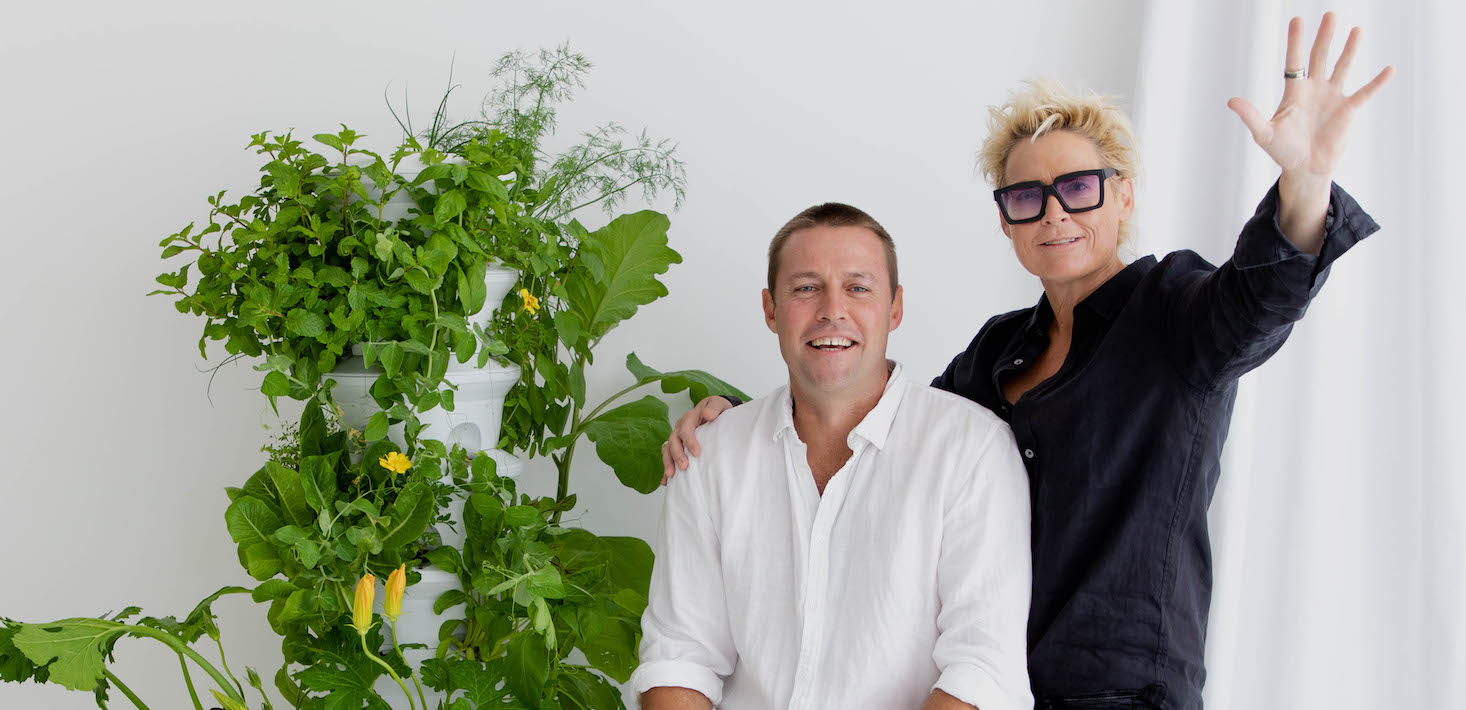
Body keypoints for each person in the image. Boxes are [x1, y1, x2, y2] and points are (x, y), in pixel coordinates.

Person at [659, 14, 1392, 710]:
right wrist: (738, 425)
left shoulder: (1175, 310)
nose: (1054, 214)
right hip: (1000, 685)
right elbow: (887, 424)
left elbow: (1259, 301)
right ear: (1004, 218)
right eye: (1025, 197)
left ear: (1123, 195)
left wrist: (1305, 185)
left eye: (1077, 187)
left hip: (1127, 691)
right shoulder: (998, 350)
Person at [633, 203, 1034, 710]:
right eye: (805, 287)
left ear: (895, 307)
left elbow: (982, 672)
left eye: (858, 287)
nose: (832, 310)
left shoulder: (972, 451)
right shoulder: (710, 455)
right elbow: (680, 657)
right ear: (770, 308)